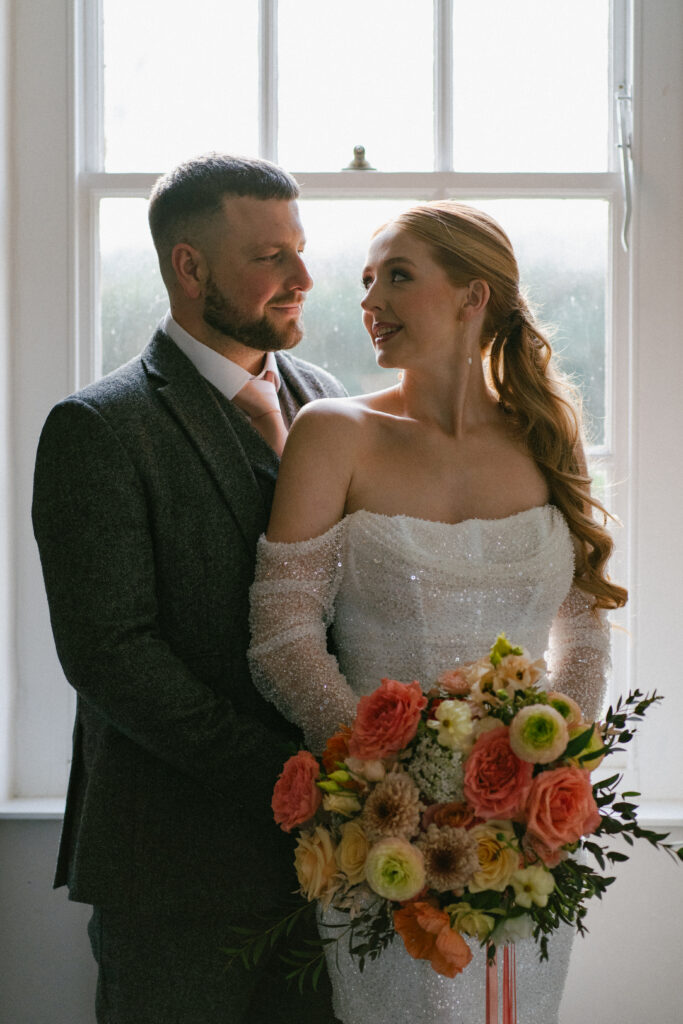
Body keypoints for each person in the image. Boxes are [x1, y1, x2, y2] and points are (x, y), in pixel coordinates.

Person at [248, 200, 627, 1024]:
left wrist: (550, 769)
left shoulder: (544, 434)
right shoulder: (333, 433)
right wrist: (387, 787)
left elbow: (584, 625)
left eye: (397, 275)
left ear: (472, 295)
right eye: (366, 280)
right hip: (379, 842)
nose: (369, 298)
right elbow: (282, 636)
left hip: (523, 844)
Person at [31, 153, 345, 1024]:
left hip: (335, 868)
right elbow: (111, 654)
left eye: (300, 250)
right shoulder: (98, 428)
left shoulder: (326, 403)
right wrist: (291, 777)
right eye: (269, 257)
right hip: (173, 869)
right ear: (190, 265)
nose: (302, 279)